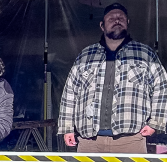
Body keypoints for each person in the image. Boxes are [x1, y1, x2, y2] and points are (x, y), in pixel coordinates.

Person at [59, 3, 167, 154]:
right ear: (102, 25)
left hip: (130, 141)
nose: (117, 20)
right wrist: (67, 128)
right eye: (111, 18)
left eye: (121, 17)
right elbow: (70, 92)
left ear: (127, 22)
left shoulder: (145, 55)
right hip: (89, 142)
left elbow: (162, 88)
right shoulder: (86, 56)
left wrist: (156, 123)